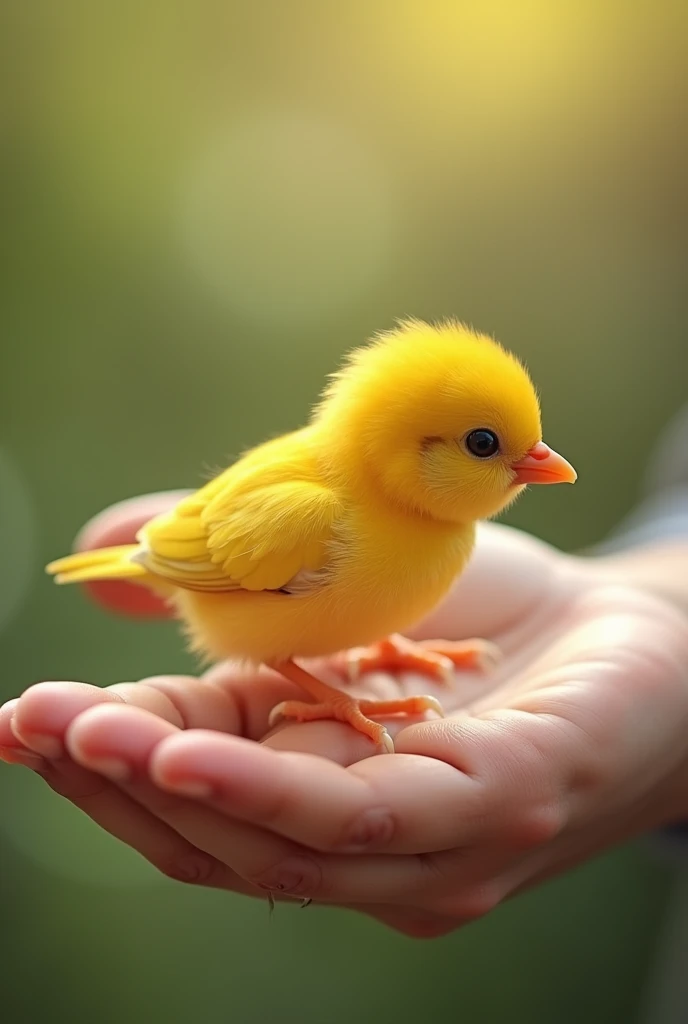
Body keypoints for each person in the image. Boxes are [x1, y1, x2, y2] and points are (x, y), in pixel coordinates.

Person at [1, 407, 687, 940]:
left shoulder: (441, 529)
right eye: (486, 445)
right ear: (411, 451)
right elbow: (265, 643)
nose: (539, 461)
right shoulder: (318, 515)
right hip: (219, 576)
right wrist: (332, 697)